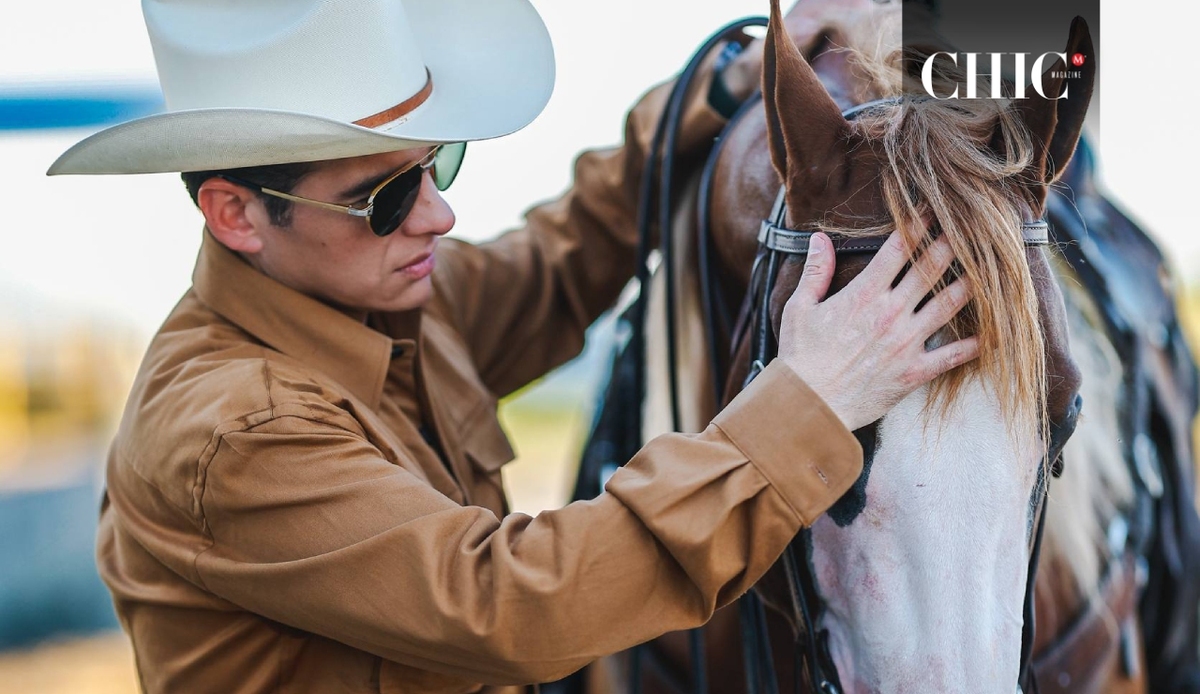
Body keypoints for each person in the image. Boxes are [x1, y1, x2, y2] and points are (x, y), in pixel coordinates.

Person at [49, 0, 978, 691]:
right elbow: (511, 604)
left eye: (437, 164)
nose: (439, 215)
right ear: (236, 214)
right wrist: (810, 403)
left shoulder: (385, 295)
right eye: (384, 197)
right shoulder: (233, 429)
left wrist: (727, 84)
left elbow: (569, 251)